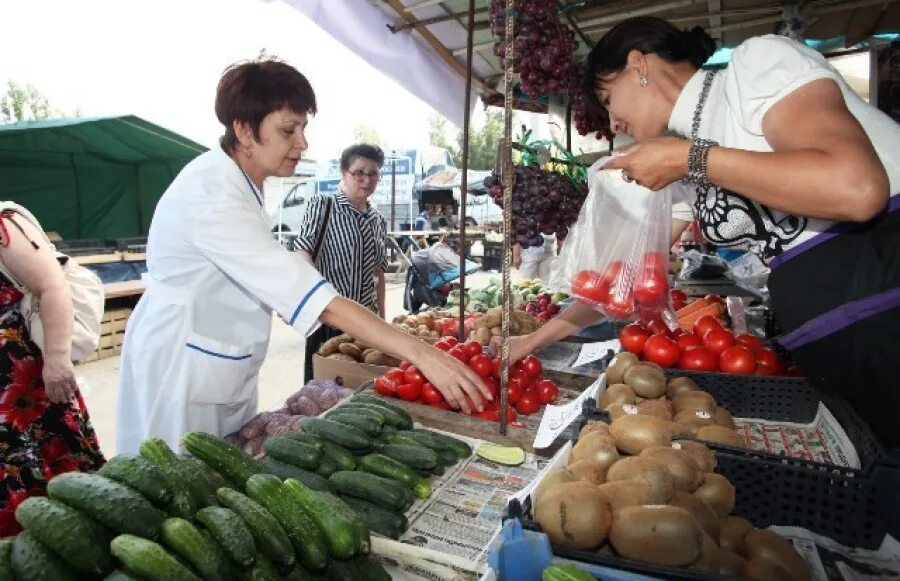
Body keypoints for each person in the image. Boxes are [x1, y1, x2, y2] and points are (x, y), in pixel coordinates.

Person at [506, 17, 900, 447]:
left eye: (607, 97)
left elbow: (858, 188)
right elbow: (623, 284)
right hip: (839, 345)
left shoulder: (755, 67)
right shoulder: (680, 162)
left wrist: (691, 159)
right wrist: (533, 339)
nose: (613, 121)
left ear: (638, 64)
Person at [116, 60, 491, 455]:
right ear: (243, 128)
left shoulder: (241, 183)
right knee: (178, 480)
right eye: (287, 130)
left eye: (303, 128)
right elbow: (314, 297)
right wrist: (421, 354)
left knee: (218, 469)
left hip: (215, 362)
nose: (302, 143)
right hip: (181, 371)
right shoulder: (212, 195)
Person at [0, 206, 105, 535]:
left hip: (28, 389)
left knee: (59, 480)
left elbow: (53, 287)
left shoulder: (5, 226)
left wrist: (58, 359)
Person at [294, 144, 389, 383]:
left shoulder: (378, 219)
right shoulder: (323, 205)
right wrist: (318, 299)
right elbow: (302, 252)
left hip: (367, 324)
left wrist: (383, 320)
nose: (366, 180)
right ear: (344, 173)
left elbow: (379, 274)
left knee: (362, 392)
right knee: (322, 393)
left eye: (373, 173)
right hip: (330, 321)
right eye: (359, 172)